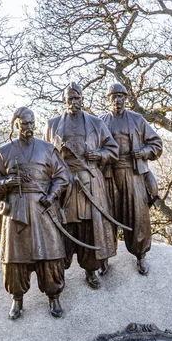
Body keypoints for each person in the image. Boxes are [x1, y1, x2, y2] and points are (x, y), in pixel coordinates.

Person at [0, 107, 70, 319]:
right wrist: (6, 182)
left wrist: (51, 196)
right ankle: (17, 298)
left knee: (51, 253)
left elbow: (63, 176)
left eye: (31, 124)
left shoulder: (47, 149)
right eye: (24, 124)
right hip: (16, 211)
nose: (29, 128)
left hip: (42, 208)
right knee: (15, 258)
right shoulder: (4, 152)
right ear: (16, 125)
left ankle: (54, 296)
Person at [44, 82, 119, 289]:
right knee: (64, 226)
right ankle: (60, 272)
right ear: (64, 100)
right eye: (70, 99)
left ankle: (91, 270)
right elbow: (45, 157)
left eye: (77, 98)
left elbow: (113, 150)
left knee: (89, 227)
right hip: (64, 185)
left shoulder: (96, 123)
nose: (73, 102)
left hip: (90, 182)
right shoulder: (52, 125)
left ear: (82, 99)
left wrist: (98, 154)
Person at [101, 83, 163, 275]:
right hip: (108, 174)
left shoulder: (137, 119)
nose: (117, 100)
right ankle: (104, 257)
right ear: (108, 99)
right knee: (106, 215)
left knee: (138, 215)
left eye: (120, 96)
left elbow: (157, 145)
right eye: (114, 96)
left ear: (125, 98)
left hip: (133, 172)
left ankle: (141, 255)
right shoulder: (100, 122)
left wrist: (143, 151)